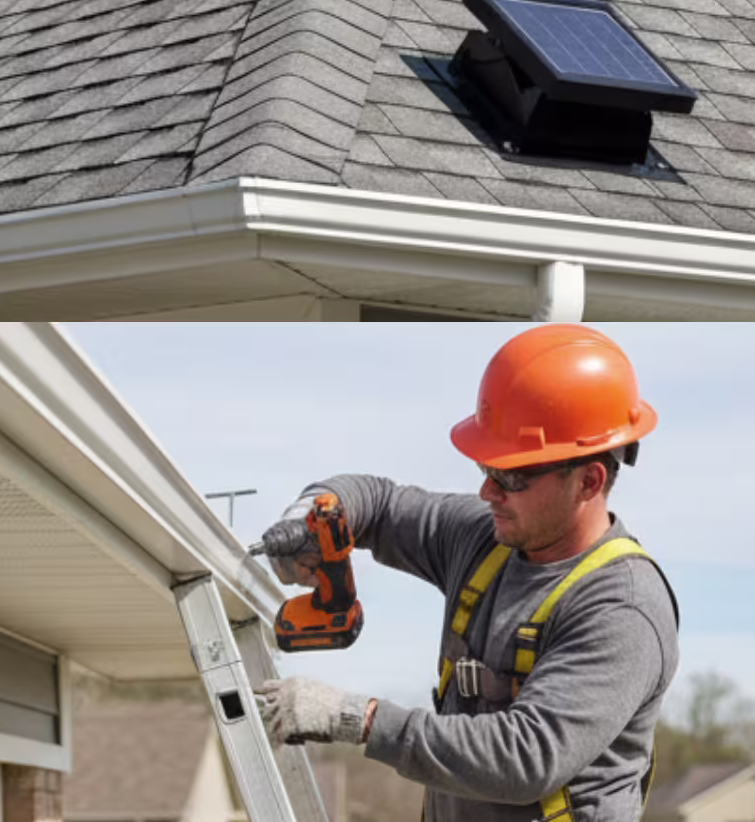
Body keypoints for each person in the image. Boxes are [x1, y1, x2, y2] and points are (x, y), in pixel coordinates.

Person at [253, 324, 679, 822]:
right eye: (485, 469)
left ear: (589, 480)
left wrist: (359, 719)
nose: (487, 492)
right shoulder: (487, 538)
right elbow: (380, 502)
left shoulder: (620, 607)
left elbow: (526, 758)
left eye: (511, 477)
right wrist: (312, 518)